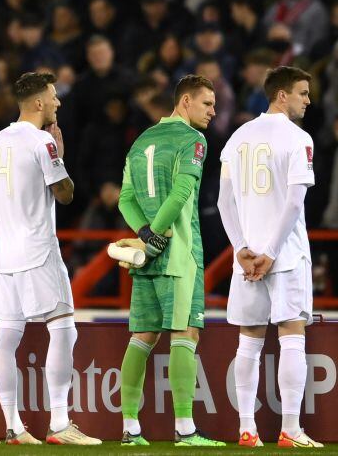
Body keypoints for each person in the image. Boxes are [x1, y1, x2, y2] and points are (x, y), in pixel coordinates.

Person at [0, 73, 101, 446]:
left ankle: (13, 426)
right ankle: (58, 423)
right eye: (53, 97)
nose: (58, 103)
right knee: (64, 327)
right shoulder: (42, 142)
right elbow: (65, 194)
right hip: (38, 248)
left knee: (7, 335)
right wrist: (60, 156)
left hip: (5, 254)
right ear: (38, 103)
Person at [114, 74, 224, 447]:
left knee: (142, 336)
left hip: (146, 258)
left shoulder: (141, 139)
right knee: (185, 334)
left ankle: (130, 428)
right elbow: (180, 193)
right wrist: (159, 236)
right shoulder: (193, 140)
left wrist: (144, 236)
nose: (213, 110)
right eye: (207, 103)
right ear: (185, 101)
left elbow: (125, 199)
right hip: (178, 254)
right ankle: (185, 429)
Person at [217, 66, 322, 448]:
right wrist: (272, 253)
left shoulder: (238, 137)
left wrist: (241, 248)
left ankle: (247, 429)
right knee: (292, 337)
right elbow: (295, 200)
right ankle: (290, 431)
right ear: (282, 95)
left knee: (249, 341)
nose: (308, 100)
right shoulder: (298, 138)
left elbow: (222, 201)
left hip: (246, 260)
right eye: (303, 93)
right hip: (286, 255)